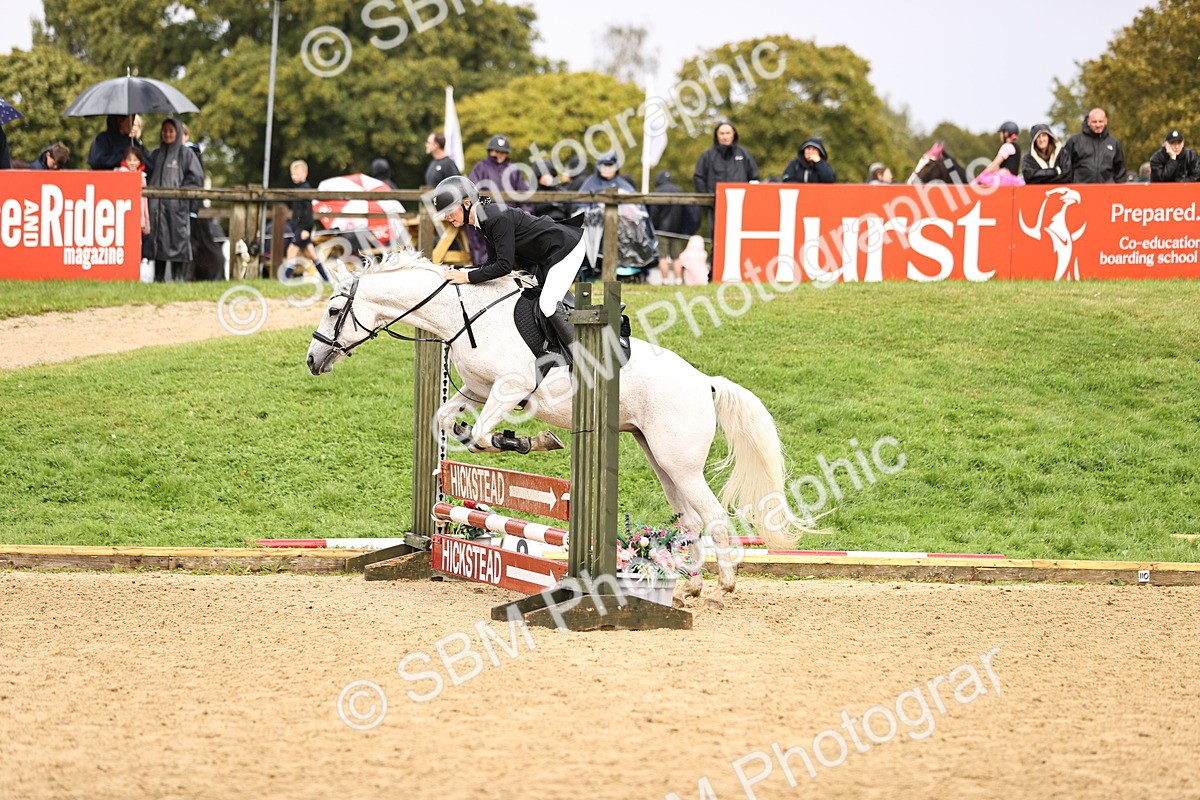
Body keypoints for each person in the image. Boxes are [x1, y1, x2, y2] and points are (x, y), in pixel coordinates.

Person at [432, 175, 586, 362]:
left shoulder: (495, 218)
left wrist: (467, 277)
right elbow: (492, 262)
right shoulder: (483, 220)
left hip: (566, 248)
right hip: (546, 256)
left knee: (547, 304)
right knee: (537, 299)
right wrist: (463, 270)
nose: (447, 217)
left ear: (466, 203)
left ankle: (580, 359)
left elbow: (504, 266)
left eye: (449, 210)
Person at [146, 118, 203, 282]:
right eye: (164, 131)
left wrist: (181, 193)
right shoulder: (155, 154)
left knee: (177, 241)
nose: (167, 134)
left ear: (177, 133)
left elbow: (196, 178)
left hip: (177, 208)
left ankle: (178, 278)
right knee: (158, 242)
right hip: (156, 208)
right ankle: (158, 278)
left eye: (171, 131)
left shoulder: (186, 154)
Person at [466, 134, 531, 264]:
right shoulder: (480, 168)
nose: (499, 154)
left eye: (503, 152)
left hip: (510, 215)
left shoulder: (513, 170)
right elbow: (472, 191)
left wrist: (526, 212)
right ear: (490, 151)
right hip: (487, 215)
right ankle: (484, 268)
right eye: (496, 151)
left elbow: (523, 195)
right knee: (483, 242)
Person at [648, 170, 700, 285]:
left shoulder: (657, 192)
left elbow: (654, 213)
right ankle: (678, 280)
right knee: (676, 257)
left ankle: (665, 280)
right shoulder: (680, 191)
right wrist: (685, 229)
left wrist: (653, 227)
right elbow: (689, 212)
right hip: (676, 230)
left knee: (662, 257)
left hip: (661, 230)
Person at [285, 159, 329, 281]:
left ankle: (284, 279)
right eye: (292, 174)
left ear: (305, 173)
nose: (294, 176)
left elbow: (307, 213)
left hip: (302, 228)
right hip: (299, 228)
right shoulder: (298, 190)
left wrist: (306, 229)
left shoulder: (305, 190)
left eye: (297, 174)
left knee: (291, 251)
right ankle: (326, 279)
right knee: (311, 255)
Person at [694, 121, 759, 194]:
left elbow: (754, 178)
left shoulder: (744, 154)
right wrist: (706, 199)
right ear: (717, 135)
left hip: (740, 200)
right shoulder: (707, 155)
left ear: (733, 134)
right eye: (722, 133)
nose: (725, 137)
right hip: (714, 202)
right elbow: (699, 178)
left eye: (728, 133)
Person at [1063, 108, 1127, 183]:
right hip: (1081, 190)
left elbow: (1120, 170)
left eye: (1100, 121)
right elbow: (1065, 168)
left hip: (1107, 190)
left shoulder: (1114, 142)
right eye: (1094, 122)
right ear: (1088, 122)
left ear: (1106, 121)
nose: (1098, 125)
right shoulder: (1074, 141)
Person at [115, 146, 151, 236]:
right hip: (123, 215)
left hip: (139, 218)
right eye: (129, 160)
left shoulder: (142, 177)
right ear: (124, 161)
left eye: (135, 160)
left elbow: (145, 202)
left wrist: (146, 221)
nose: (132, 163)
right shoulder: (119, 175)